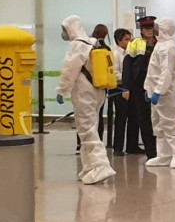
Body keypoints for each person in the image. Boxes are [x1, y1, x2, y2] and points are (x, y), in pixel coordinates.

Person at [57, 15, 117, 185]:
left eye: (64, 29)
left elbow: (70, 69)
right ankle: (89, 167)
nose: (63, 33)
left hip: (84, 92)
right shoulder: (92, 42)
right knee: (90, 128)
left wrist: (62, 89)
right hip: (98, 91)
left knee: (86, 129)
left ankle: (101, 165)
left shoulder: (77, 45)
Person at [144, 17, 175, 169]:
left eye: (156, 26)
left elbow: (167, 72)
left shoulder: (168, 47)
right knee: (158, 125)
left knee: (170, 123)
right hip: (156, 90)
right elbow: (153, 70)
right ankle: (164, 155)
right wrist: (148, 88)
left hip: (166, 92)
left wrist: (158, 91)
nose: (154, 29)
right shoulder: (160, 45)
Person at [122, 16, 157, 159]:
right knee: (144, 119)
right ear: (141, 30)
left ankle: (161, 151)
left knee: (158, 120)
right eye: (146, 28)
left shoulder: (160, 43)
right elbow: (127, 67)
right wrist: (126, 87)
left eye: (151, 28)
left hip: (157, 86)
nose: (149, 31)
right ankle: (151, 152)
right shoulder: (135, 43)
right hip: (139, 86)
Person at [111, 28, 141, 156]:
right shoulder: (115, 54)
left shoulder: (132, 52)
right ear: (119, 41)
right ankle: (118, 147)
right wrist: (127, 78)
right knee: (121, 118)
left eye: (131, 38)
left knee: (134, 117)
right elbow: (114, 73)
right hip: (119, 88)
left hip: (133, 88)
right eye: (126, 39)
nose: (129, 41)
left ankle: (132, 146)